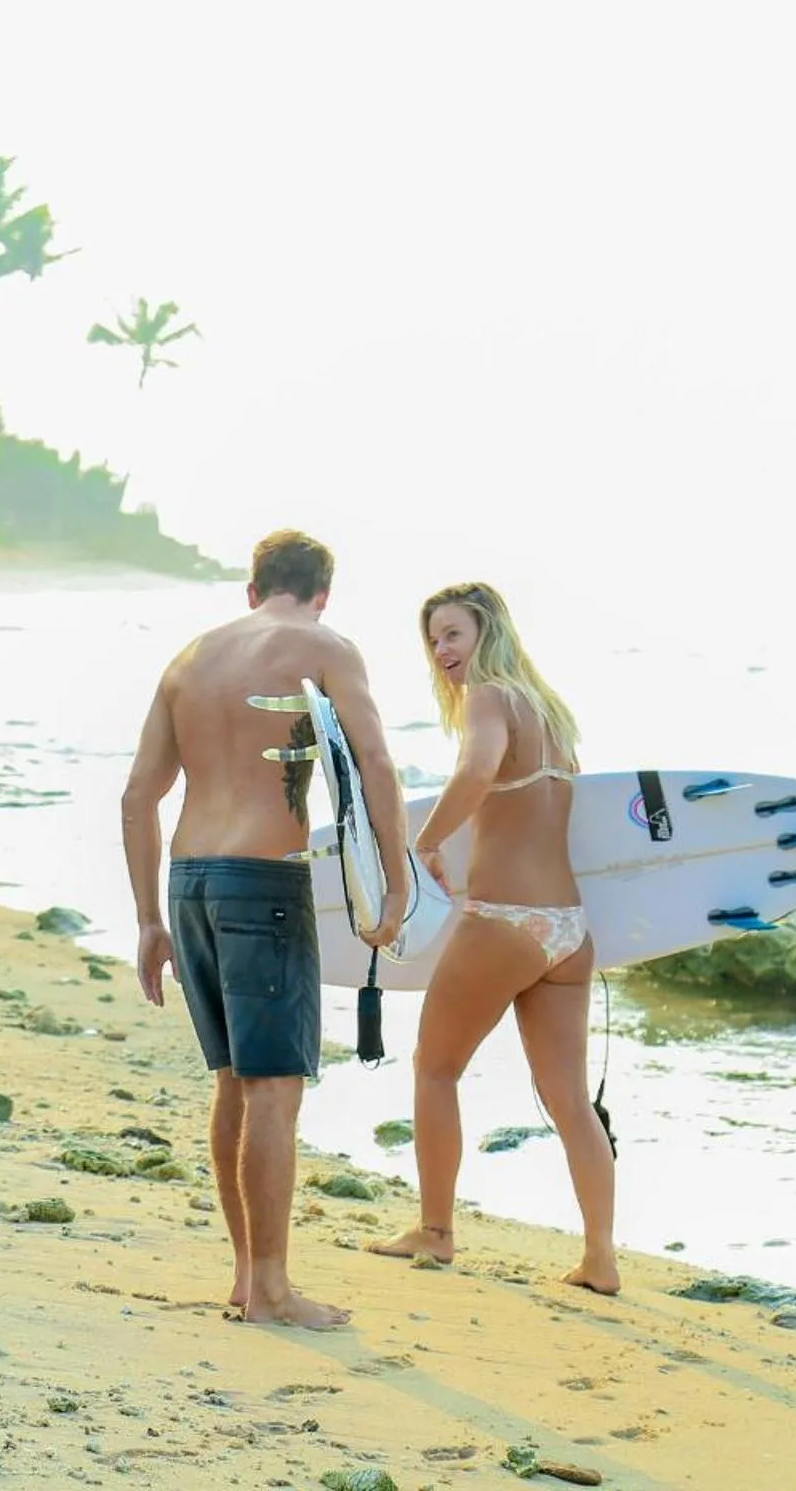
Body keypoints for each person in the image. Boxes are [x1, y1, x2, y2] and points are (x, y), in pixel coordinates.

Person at [121, 530, 410, 1330]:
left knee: (232, 1083)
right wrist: (400, 876)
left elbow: (138, 797)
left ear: (252, 590)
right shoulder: (324, 646)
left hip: (189, 883)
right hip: (264, 883)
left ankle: (249, 1276)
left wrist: (148, 919)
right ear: (323, 592)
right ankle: (276, 1293)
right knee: (273, 1088)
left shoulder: (189, 658)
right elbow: (378, 765)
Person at [368, 582, 620, 1295]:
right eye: (433, 640)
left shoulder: (488, 699)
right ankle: (600, 1259)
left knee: (435, 1068)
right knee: (568, 1100)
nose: (443, 651)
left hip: (504, 921)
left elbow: (477, 771)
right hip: (568, 931)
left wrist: (426, 840)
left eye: (453, 634)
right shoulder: (551, 713)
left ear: (487, 633)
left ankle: (437, 1231)